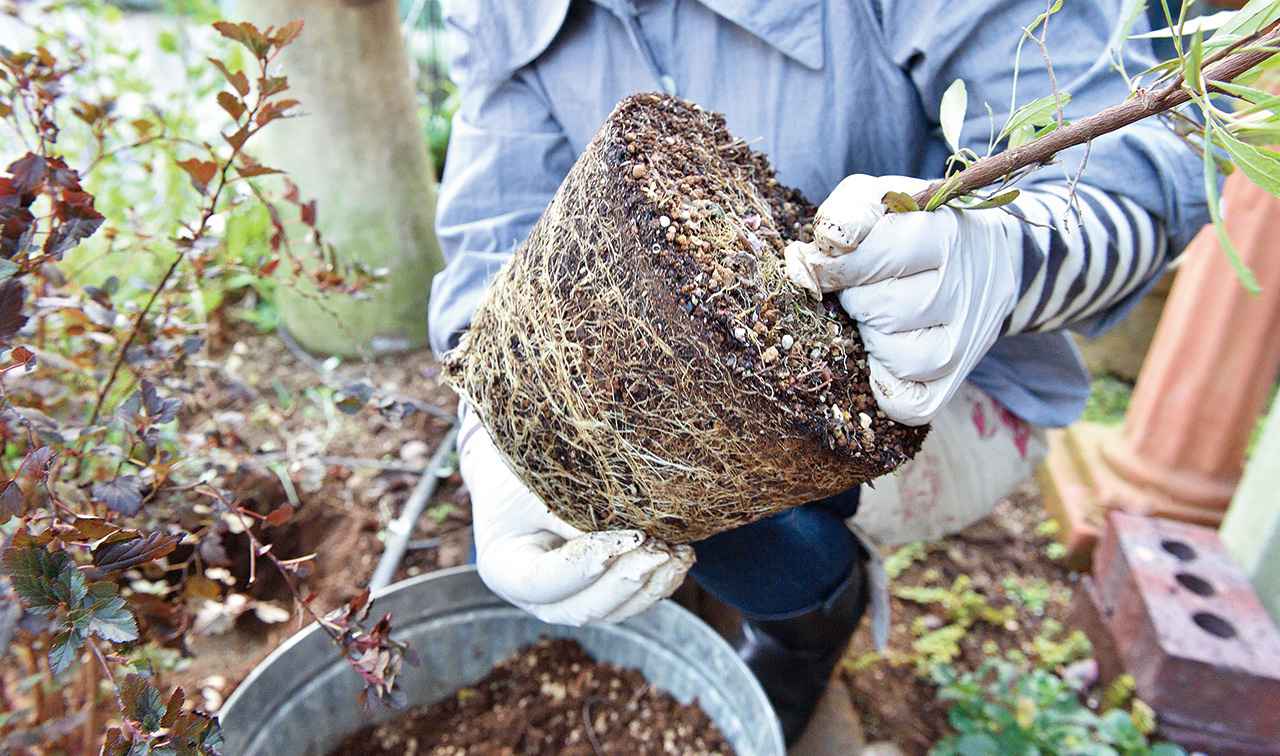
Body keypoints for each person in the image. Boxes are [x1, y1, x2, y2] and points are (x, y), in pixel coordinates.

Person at [428, 0, 1207, 744]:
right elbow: (496, 234)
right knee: (585, 462)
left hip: (954, 382)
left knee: (698, 471)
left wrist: (1004, 259)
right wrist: (490, 433)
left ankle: (807, 623)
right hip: (678, 373)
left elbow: (1135, 187)